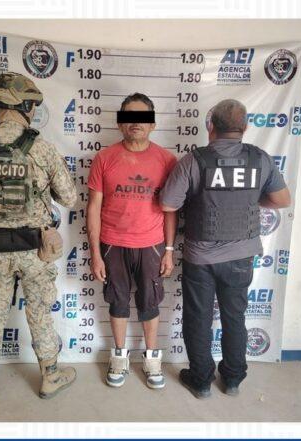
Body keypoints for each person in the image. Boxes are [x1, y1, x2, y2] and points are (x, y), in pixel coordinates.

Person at [0, 72, 78, 400]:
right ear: (25, 106)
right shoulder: (42, 150)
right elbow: (69, 198)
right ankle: (50, 375)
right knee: (39, 311)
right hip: (36, 250)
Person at [160, 99, 291, 398]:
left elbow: (167, 204)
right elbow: (283, 200)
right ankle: (232, 380)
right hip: (241, 257)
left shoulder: (193, 160)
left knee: (198, 319)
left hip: (200, 257)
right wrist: (251, 200)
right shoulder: (260, 158)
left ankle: (201, 381)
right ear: (245, 127)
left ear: (210, 126)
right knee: (235, 318)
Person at [86, 93, 177, 389]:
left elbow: (170, 209)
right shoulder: (104, 159)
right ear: (119, 123)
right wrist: (95, 253)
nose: (135, 123)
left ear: (152, 124)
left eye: (142, 117)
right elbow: (93, 208)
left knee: (150, 302)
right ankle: (119, 357)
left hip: (152, 245)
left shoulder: (167, 160)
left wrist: (168, 250)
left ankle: (152, 360)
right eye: (129, 117)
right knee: (118, 301)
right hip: (113, 244)